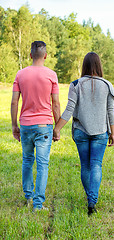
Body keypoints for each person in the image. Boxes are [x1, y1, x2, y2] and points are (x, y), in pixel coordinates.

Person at [53, 52, 114, 216]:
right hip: (101, 131)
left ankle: (90, 198)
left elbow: (69, 109)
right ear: (99, 66)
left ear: (84, 66)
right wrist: (113, 133)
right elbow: (110, 111)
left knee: (85, 166)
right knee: (96, 165)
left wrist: (57, 128)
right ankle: (92, 202)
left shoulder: (75, 84)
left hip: (81, 131)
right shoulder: (107, 85)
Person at [11, 41, 60, 211]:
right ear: (45, 55)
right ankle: (38, 205)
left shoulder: (20, 74)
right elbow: (55, 104)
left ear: (30, 55)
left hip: (25, 125)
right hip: (44, 125)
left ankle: (28, 196)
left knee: (27, 160)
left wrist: (14, 125)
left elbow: (14, 102)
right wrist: (57, 127)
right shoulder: (51, 75)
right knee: (42, 164)